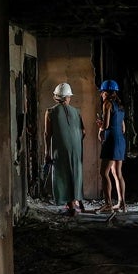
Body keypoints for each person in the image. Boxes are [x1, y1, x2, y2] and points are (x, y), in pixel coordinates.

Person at [43, 82, 85, 216]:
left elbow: (47, 134)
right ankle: (76, 200)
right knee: (75, 172)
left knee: (62, 173)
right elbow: (84, 131)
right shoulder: (77, 112)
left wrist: (47, 152)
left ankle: (70, 204)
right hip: (76, 148)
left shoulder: (50, 112)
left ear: (56, 97)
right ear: (68, 97)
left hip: (60, 148)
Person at [97, 79, 127, 212]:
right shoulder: (120, 106)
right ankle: (122, 204)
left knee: (104, 172)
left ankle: (108, 203)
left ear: (105, 92)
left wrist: (100, 126)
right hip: (120, 140)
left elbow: (106, 125)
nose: (101, 95)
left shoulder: (107, 104)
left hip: (111, 141)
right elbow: (123, 128)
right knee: (117, 173)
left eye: (102, 92)